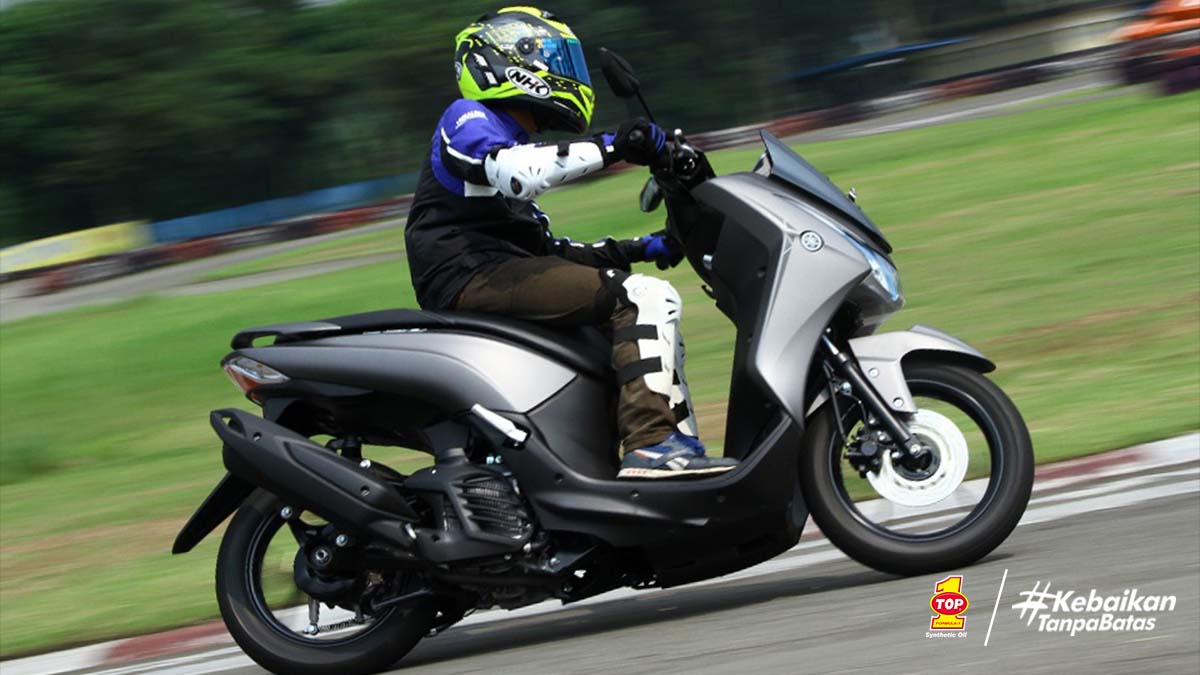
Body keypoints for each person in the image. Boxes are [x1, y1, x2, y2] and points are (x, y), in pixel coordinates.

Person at [405, 6, 737, 479]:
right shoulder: (470, 118)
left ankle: (668, 455)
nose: (565, 72)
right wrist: (615, 145)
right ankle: (653, 447)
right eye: (552, 58)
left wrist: (643, 248)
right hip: (469, 277)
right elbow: (520, 173)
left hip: (494, 273)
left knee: (631, 320)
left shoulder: (512, 142)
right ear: (508, 60)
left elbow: (550, 254)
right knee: (642, 298)